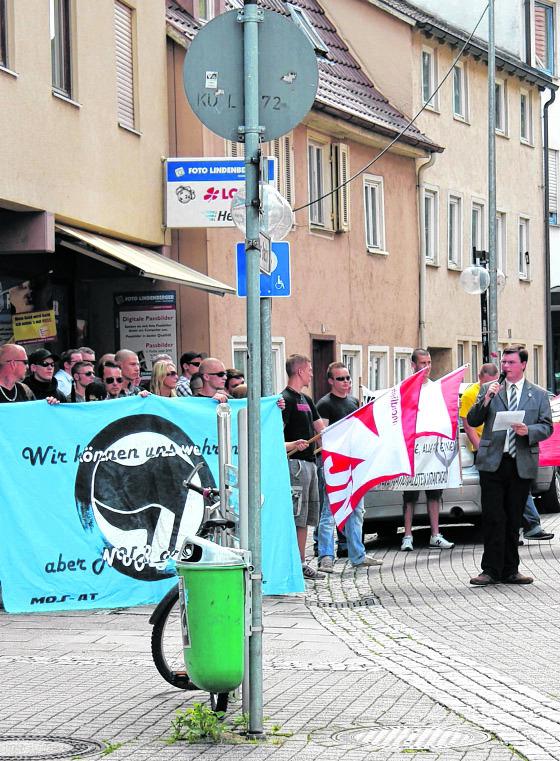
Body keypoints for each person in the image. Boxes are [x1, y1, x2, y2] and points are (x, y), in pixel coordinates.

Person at [467, 345, 553, 586]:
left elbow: (547, 426)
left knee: (514, 518)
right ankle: (490, 570)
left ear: (523, 365)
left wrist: (529, 431)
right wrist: (486, 399)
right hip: (493, 462)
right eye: (504, 362)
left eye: (511, 362)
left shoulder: (537, 394)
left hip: (520, 462)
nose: (505, 366)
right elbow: (473, 420)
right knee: (494, 517)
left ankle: (510, 569)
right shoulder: (490, 389)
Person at [316, 362, 383, 571]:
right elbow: (322, 437)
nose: (346, 382)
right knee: (330, 511)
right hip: (335, 464)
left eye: (348, 378)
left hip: (354, 464)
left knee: (357, 511)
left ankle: (357, 554)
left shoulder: (354, 401)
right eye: (341, 379)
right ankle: (325, 555)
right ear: (331, 381)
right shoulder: (325, 404)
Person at [401, 349, 454, 552]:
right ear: (413, 365)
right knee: (410, 495)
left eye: (429, 362)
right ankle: (407, 535)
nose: (427, 367)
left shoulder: (436, 388)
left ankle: (435, 534)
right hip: (414, 451)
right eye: (423, 363)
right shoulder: (406, 389)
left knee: (434, 493)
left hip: (432, 451)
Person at [282, 354, 326, 581]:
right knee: (295, 515)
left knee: (307, 517)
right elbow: (275, 434)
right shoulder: (285, 399)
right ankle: (293, 563)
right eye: (309, 370)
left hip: (310, 463)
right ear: (299, 371)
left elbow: (322, 431)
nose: (311, 373)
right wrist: (292, 445)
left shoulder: (307, 400)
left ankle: (300, 561)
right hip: (295, 465)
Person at [460, 363, 500, 452]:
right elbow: (468, 426)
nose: (490, 386)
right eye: (487, 383)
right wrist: (481, 449)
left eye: (494, 383)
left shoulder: (500, 390)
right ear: (479, 377)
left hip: (499, 446)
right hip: (483, 446)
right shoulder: (469, 394)